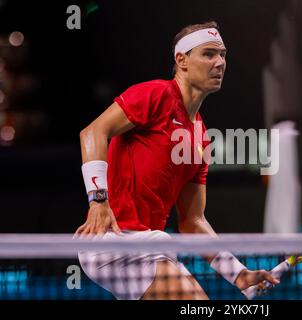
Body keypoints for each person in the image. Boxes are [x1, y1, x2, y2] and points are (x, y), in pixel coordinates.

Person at [75, 21, 278, 300]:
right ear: (182, 60)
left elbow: (193, 221)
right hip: (115, 240)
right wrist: (98, 200)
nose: (219, 62)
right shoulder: (155, 95)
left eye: (223, 55)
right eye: (208, 54)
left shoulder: (201, 137)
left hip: (150, 244)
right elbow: (93, 132)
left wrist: (239, 274)